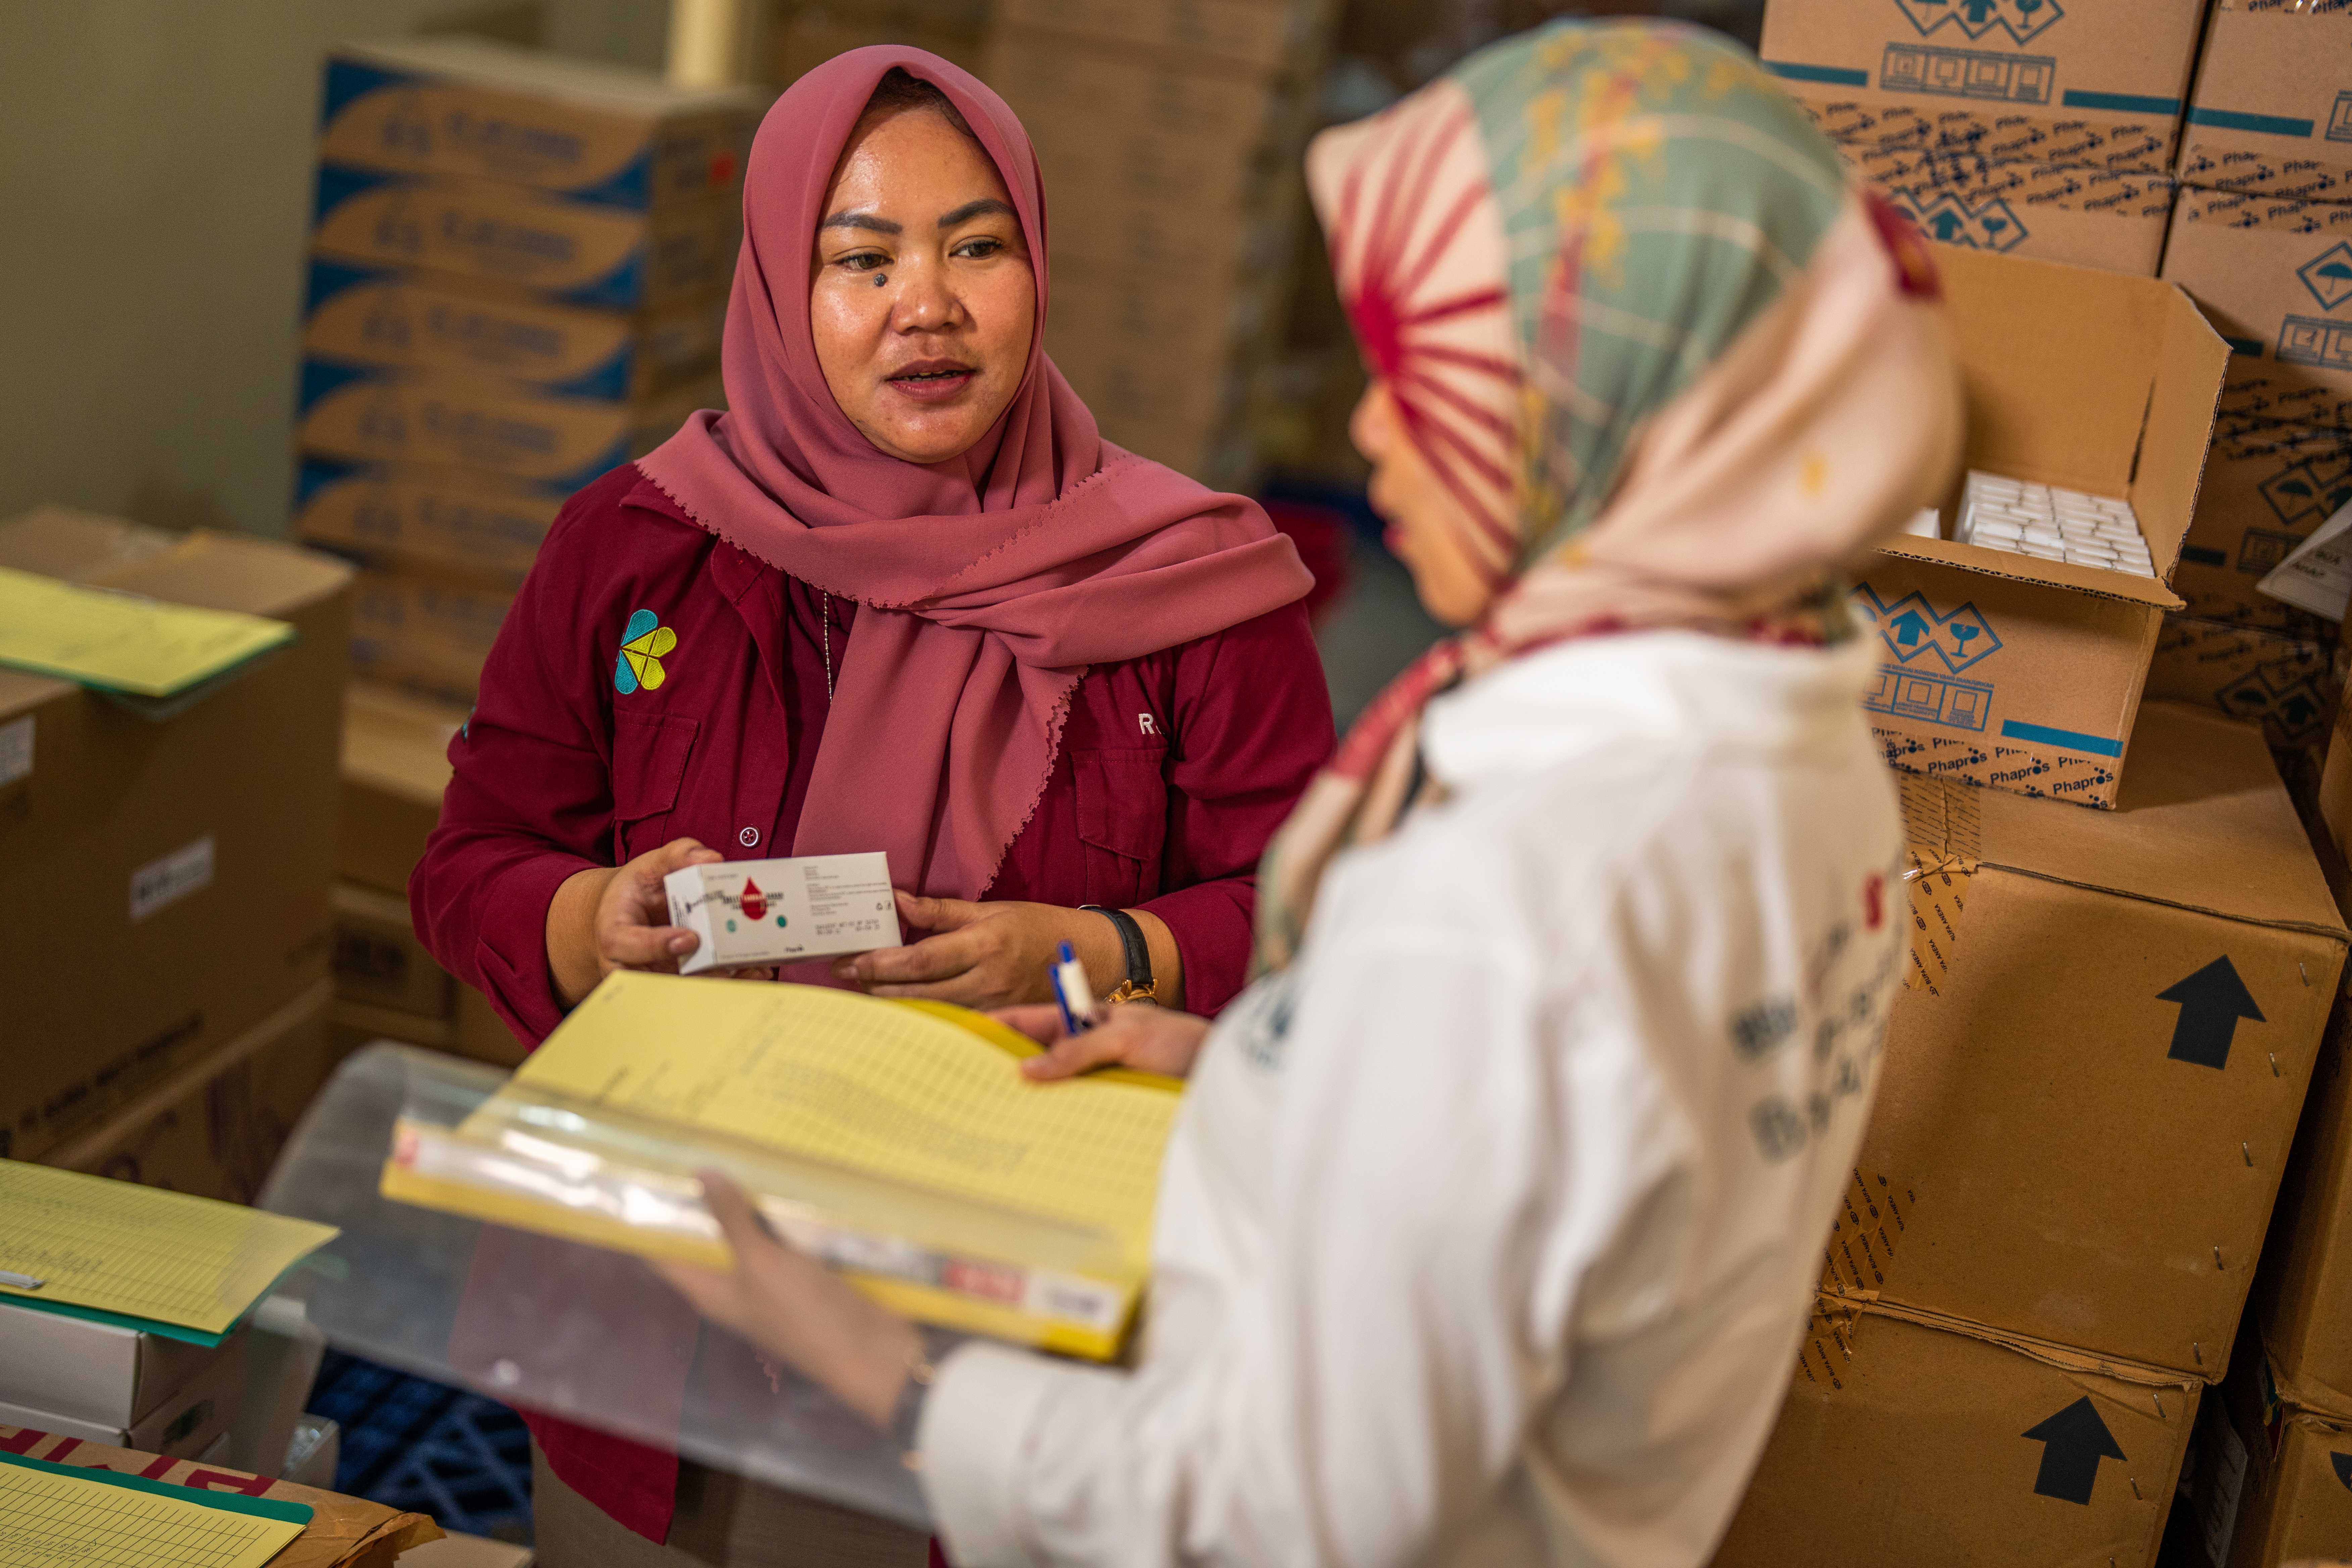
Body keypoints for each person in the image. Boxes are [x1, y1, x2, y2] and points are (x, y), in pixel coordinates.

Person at [658, 19, 1963, 1568]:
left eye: (1434, 380)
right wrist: (1281, 1071)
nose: (1366, 430)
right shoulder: (1801, 734)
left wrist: (889, 1369)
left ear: (1608, 410)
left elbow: (1284, 1515)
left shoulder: (1503, 884)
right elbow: (1566, 1157)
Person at [409, 47, 1334, 1560]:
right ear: (780, 281)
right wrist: (590, 915)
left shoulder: (1188, 593)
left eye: (979, 246)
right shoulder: (639, 551)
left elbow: (1315, 929)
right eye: (862, 258)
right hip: (653, 1309)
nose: (930, 304)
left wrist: (1109, 948)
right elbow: (471, 861)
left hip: (993, 1338)